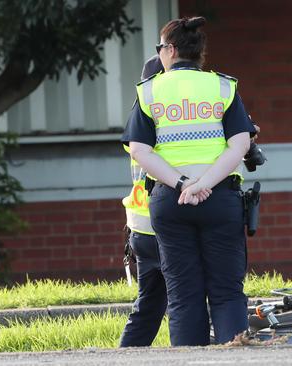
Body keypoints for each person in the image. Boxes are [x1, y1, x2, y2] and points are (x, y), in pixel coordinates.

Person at [122, 16, 256, 346]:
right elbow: (240, 144)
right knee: (226, 292)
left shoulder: (149, 90)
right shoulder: (223, 87)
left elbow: (139, 149)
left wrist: (183, 184)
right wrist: (204, 182)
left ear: (169, 49)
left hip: (171, 201)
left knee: (184, 295)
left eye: (159, 47)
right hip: (220, 198)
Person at [118, 55, 167, 347]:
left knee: (148, 306)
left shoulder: (138, 121)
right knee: (188, 302)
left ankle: (127, 357)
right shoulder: (170, 121)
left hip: (141, 227)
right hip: (167, 226)